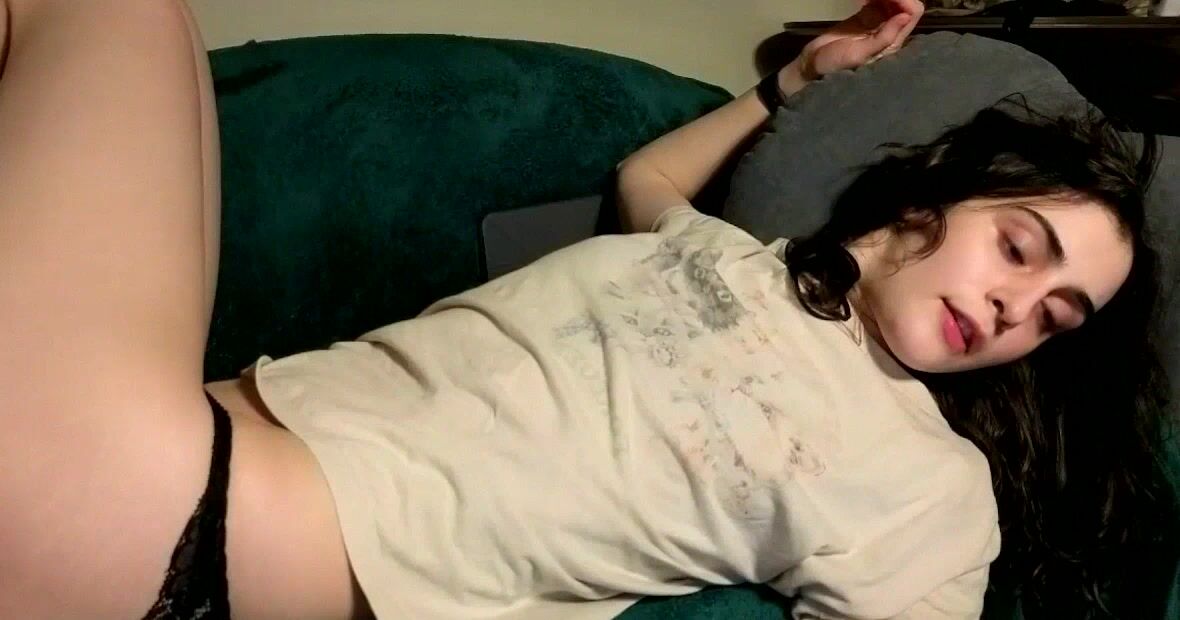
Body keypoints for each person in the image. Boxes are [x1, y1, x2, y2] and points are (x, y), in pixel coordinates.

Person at [1, 0, 1171, 619]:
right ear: (929, 205)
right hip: (186, 436)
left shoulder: (931, 489)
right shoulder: (725, 256)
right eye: (1020, 248)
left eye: (1056, 313)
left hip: (198, 538)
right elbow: (644, 180)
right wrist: (788, 87)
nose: (1018, 307)